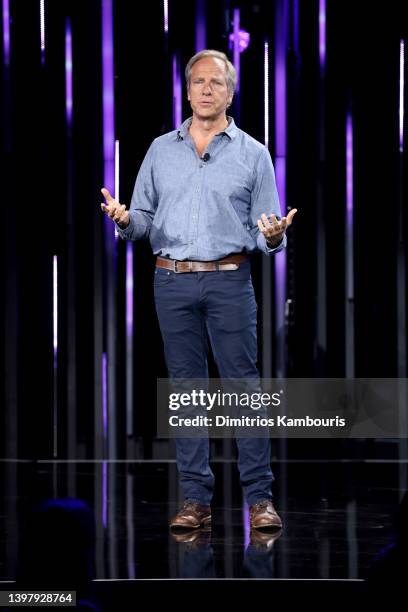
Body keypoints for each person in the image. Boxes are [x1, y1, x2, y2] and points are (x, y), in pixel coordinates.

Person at [101, 49, 297, 531]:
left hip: (230, 281)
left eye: (216, 82)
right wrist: (127, 222)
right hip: (171, 281)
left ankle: (260, 500)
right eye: (198, 82)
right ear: (187, 91)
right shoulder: (159, 150)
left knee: (244, 391)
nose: (206, 90)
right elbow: (145, 220)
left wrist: (274, 237)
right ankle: (196, 501)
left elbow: (266, 228)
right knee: (187, 393)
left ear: (231, 92)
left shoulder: (253, 153)